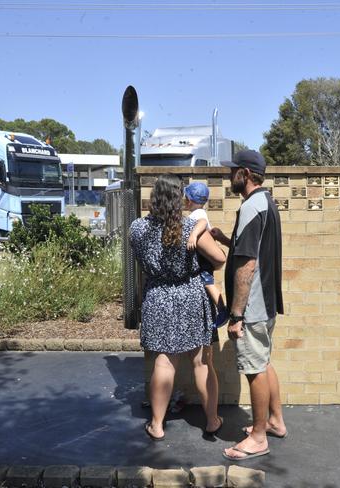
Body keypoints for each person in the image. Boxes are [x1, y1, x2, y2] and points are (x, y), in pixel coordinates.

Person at [129, 173, 226, 441]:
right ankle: (212, 421)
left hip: (158, 297)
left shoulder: (137, 228)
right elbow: (219, 259)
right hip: (190, 297)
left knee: (164, 361)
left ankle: (157, 425)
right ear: (178, 200)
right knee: (201, 363)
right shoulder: (189, 227)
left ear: (154, 198)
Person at [210, 149, 286, 461]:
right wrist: (226, 239)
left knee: (254, 369)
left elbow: (247, 265)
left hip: (252, 308)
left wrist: (237, 314)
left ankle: (257, 437)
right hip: (266, 303)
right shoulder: (265, 202)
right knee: (264, 362)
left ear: (245, 173)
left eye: (233, 171)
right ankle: (275, 421)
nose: (229, 176)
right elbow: (250, 248)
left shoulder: (252, 207)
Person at [184, 182, 229, 327]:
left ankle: (222, 309)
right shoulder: (200, 212)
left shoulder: (198, 214)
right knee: (207, 283)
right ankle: (221, 309)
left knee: (208, 283)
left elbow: (202, 223)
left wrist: (193, 235)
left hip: (203, 259)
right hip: (204, 257)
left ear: (189, 200)